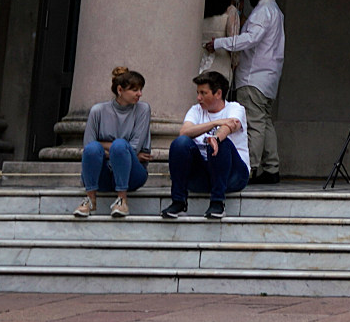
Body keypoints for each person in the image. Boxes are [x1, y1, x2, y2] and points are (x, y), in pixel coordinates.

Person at [209, 0, 286, 181]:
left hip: (254, 77)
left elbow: (250, 38)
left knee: (254, 124)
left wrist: (219, 43)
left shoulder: (262, 12)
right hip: (268, 77)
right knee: (264, 122)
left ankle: (250, 168)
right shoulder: (276, 12)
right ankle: (271, 168)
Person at [163, 70, 250, 220]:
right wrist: (214, 123)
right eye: (198, 93)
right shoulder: (196, 110)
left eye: (203, 93)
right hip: (203, 176)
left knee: (221, 142)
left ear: (218, 94)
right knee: (180, 143)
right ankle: (178, 201)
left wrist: (215, 138)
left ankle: (217, 202)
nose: (199, 98)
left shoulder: (235, 108)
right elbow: (184, 132)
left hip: (233, 175)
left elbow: (230, 126)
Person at [75, 67, 151, 219]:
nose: (139, 94)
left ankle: (122, 200)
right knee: (95, 148)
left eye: (141, 89)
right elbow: (89, 146)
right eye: (134, 90)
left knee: (119, 145)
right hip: (101, 175)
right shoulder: (98, 111)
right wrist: (124, 154)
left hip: (132, 176)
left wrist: (115, 149)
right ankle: (90, 199)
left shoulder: (143, 110)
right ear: (120, 90)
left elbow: (134, 147)